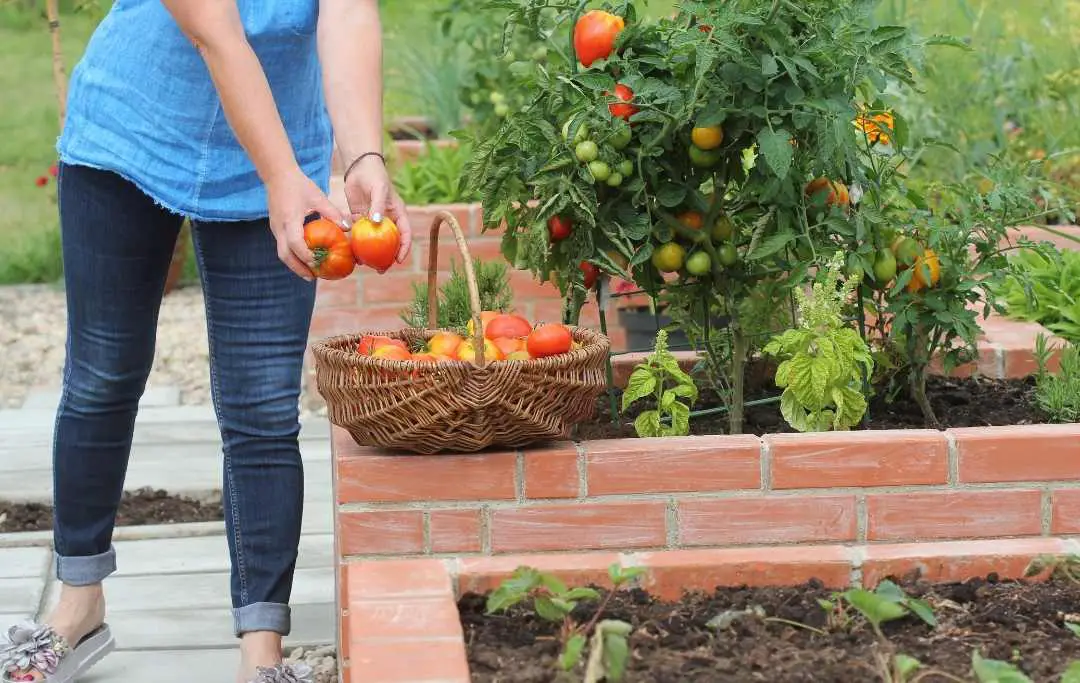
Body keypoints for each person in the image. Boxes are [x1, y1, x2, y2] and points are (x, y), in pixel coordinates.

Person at [0, 1, 412, 682]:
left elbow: (347, 14)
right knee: (103, 374)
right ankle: (78, 604)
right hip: (133, 134)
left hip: (283, 150)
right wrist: (281, 180)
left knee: (263, 408)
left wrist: (363, 153)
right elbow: (215, 33)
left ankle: (262, 654)